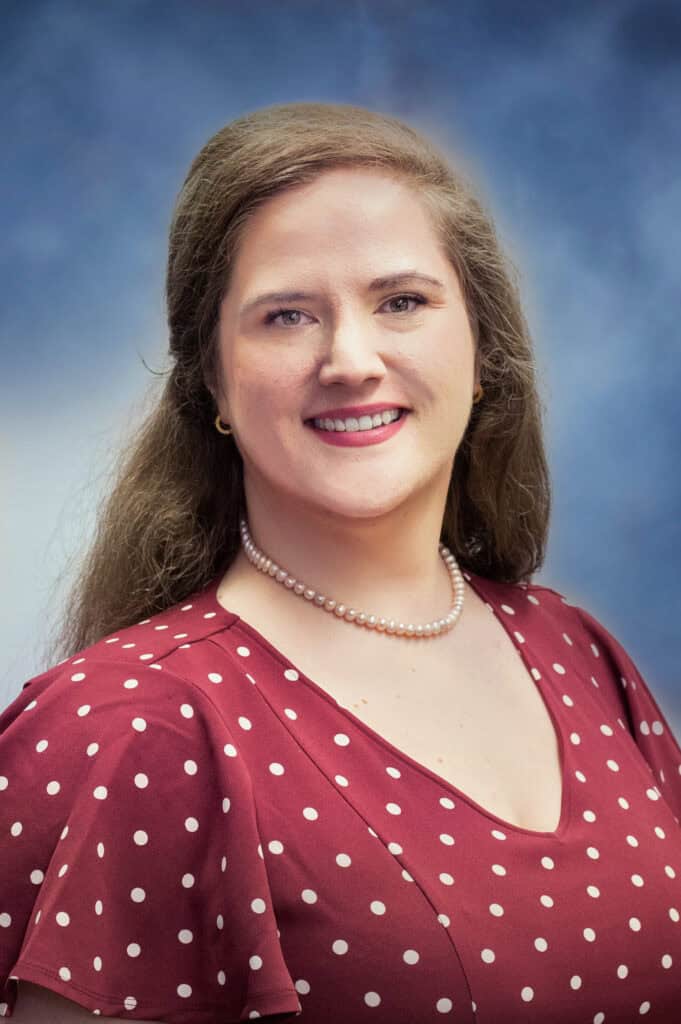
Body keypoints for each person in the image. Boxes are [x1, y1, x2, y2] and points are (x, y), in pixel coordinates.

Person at [1, 102, 680, 1024]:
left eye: (401, 302)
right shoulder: (132, 724)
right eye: (285, 317)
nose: (350, 360)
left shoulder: (575, 650)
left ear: (482, 351)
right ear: (212, 381)